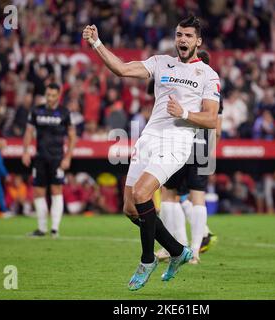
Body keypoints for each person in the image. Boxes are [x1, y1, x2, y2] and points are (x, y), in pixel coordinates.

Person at [83, 15, 220, 291]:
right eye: (179, 35)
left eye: (189, 36)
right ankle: (177, 250)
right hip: (148, 139)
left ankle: (147, 260)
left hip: (177, 143)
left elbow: (211, 118)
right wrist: (96, 43)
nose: (183, 40)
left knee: (143, 194)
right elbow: (121, 69)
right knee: (130, 209)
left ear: (198, 41)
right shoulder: (160, 62)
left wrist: (183, 112)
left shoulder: (208, 75)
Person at [158, 50, 221, 264]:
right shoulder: (212, 85)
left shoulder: (187, 82)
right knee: (198, 197)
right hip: (202, 144)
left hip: (181, 141)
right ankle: (194, 251)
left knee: (169, 193)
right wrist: (211, 154)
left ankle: (175, 247)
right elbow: (216, 127)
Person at [22, 83, 77, 238]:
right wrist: (25, 151)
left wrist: (68, 157)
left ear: (58, 96)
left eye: (53, 95)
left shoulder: (65, 112)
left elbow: (72, 136)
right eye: (48, 95)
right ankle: (41, 229)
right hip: (40, 157)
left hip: (57, 158)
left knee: (56, 190)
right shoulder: (36, 110)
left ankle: (54, 229)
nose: (50, 98)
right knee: (38, 192)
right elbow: (28, 132)